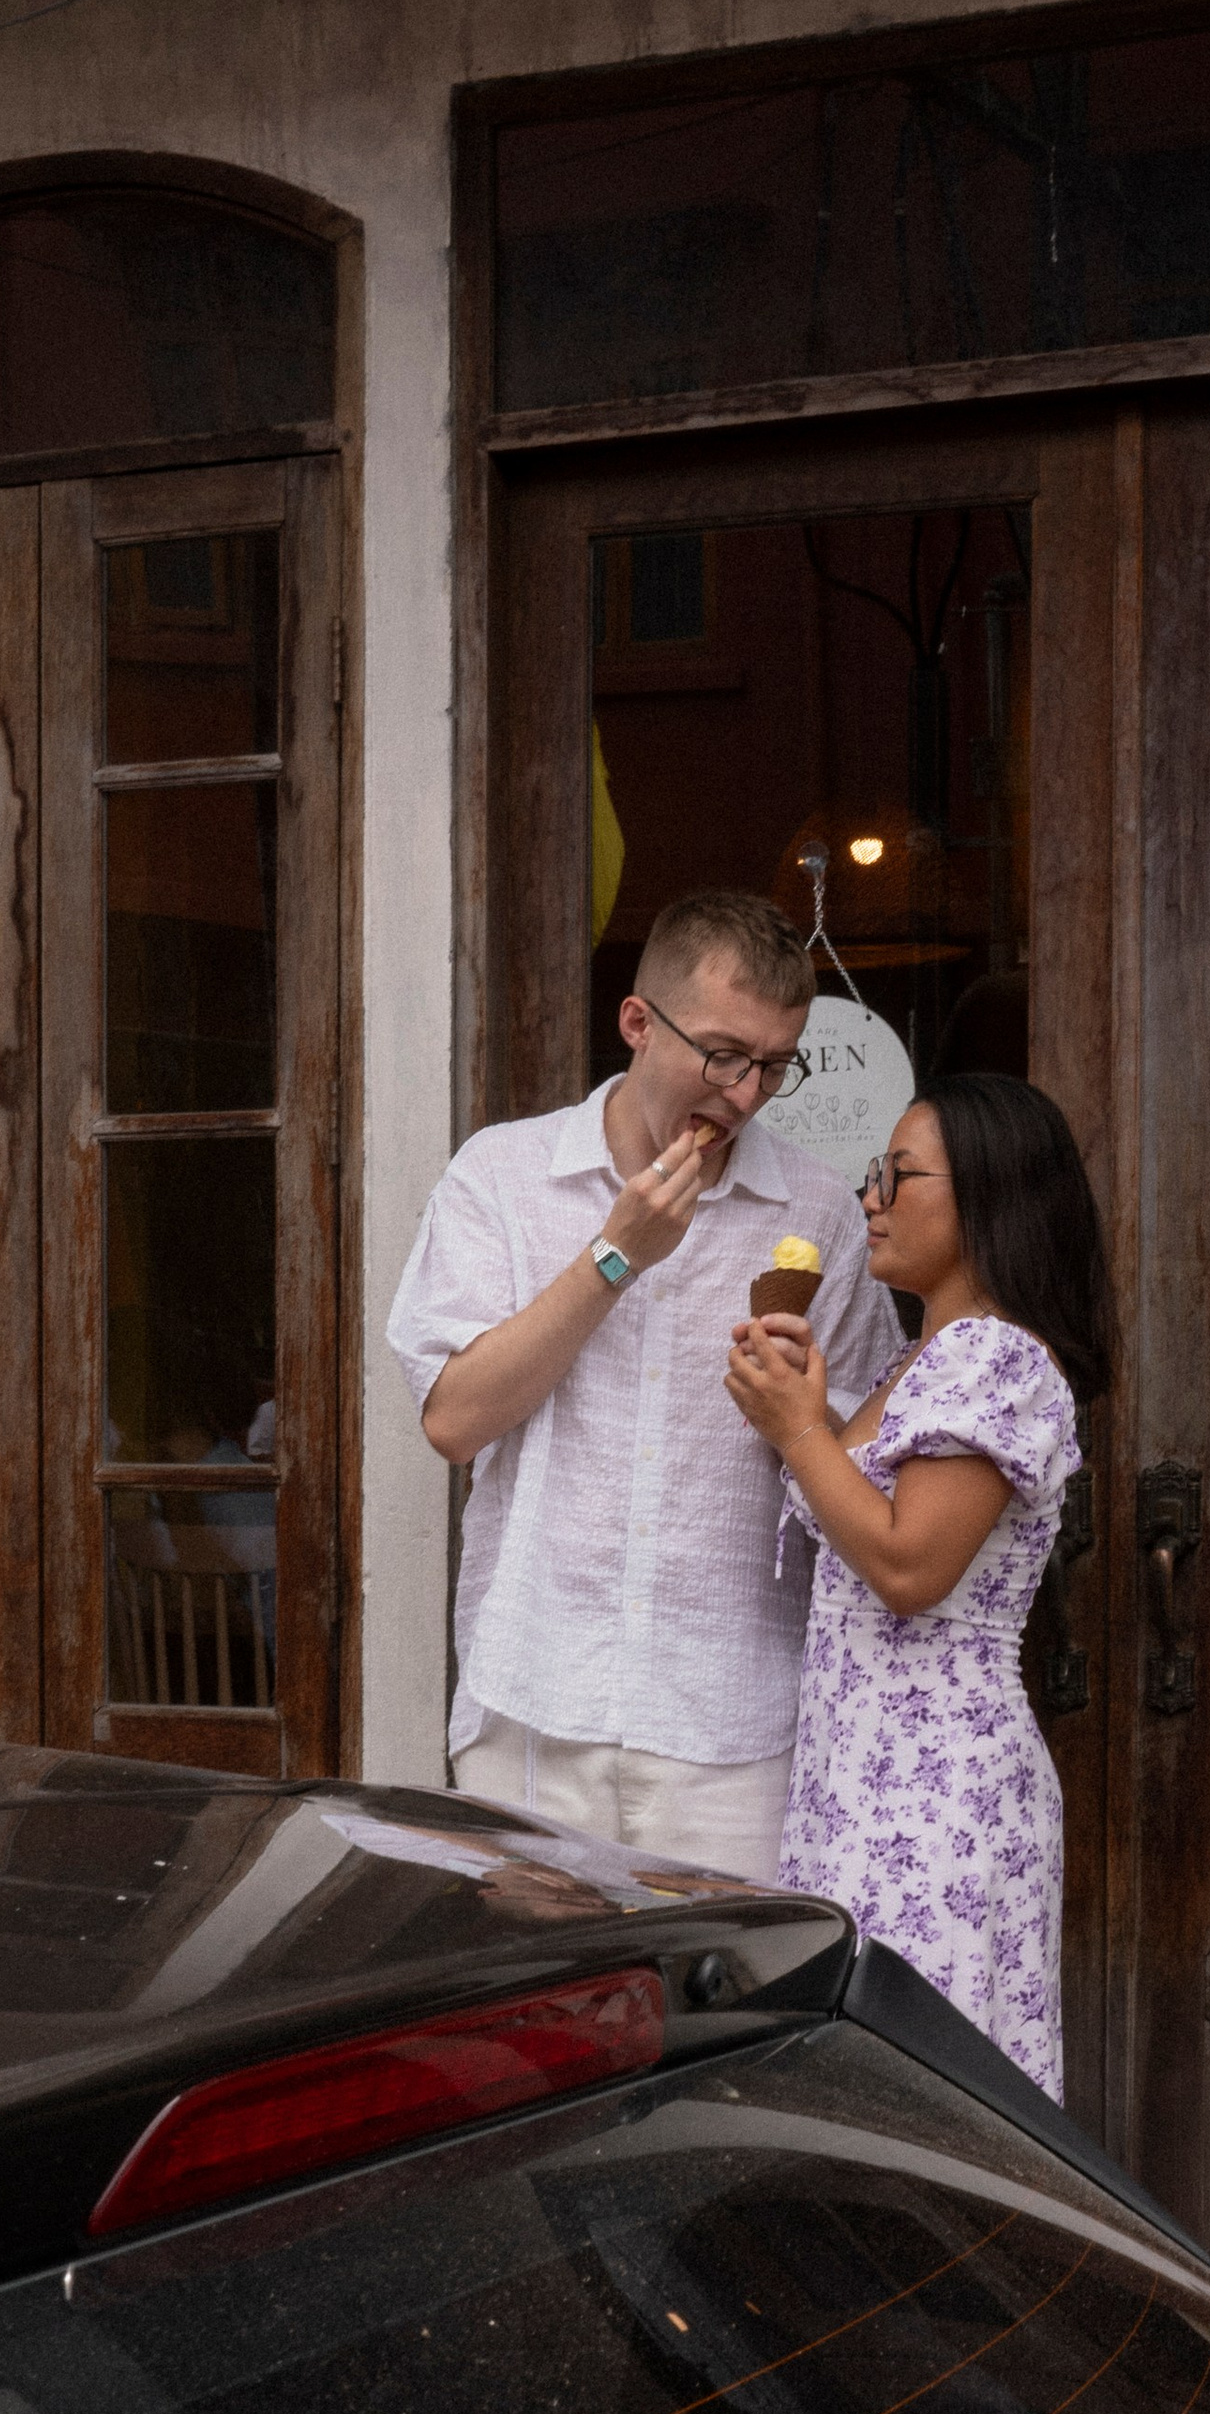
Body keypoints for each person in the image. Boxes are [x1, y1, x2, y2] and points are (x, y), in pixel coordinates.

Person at [387, 888, 901, 1878]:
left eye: (772, 1066)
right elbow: (454, 1422)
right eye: (721, 1054)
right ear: (636, 1022)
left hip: (734, 1727)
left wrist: (798, 1414)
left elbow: (862, 1474)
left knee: (729, 2019)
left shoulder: (818, 1211)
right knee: (535, 2018)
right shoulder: (501, 1176)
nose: (744, 1093)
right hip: (532, 1706)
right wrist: (614, 1257)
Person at [724, 1072, 1105, 2097]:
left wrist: (800, 1429)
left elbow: (908, 1568)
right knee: (873, 2093)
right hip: (861, 1778)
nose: (870, 1201)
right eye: (870, 1176)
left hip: (936, 1791)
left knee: (920, 2097)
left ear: (989, 1197)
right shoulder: (919, 1358)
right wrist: (799, 1412)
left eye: (901, 1177)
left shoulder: (993, 1357)